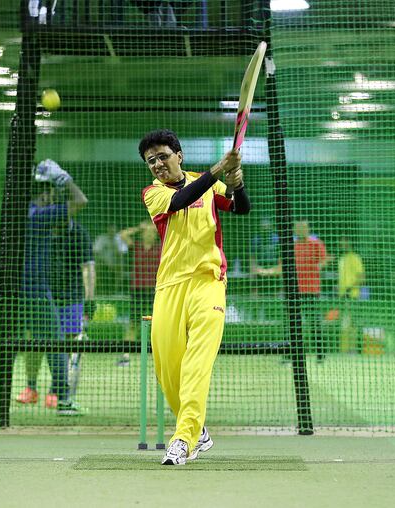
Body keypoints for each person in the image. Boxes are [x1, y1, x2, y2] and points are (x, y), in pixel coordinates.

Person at [139, 129, 250, 465]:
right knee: (167, 370)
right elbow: (180, 200)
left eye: (163, 156)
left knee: (196, 364)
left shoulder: (207, 181)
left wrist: (236, 182)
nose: (158, 164)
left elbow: (239, 208)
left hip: (208, 281)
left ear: (179, 155)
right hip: (170, 286)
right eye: (151, 160)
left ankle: (183, 438)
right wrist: (218, 170)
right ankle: (198, 429)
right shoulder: (153, 193)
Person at [14, 160, 87, 415]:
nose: (53, 197)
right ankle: (62, 398)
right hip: (35, 291)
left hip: (13, 292)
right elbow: (81, 202)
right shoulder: (39, 217)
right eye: (50, 192)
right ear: (42, 194)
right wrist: (65, 179)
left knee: (14, 344)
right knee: (56, 342)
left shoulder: (18, 214)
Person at [49, 216, 95, 400]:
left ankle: (64, 392)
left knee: (71, 343)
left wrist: (90, 299)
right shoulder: (44, 229)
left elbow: (88, 268)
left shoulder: (79, 234)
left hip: (72, 297)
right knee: (46, 343)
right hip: (48, 296)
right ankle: (43, 387)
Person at [118, 219, 161, 366]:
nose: (149, 234)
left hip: (156, 291)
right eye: (147, 231)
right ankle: (125, 356)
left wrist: (156, 227)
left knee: (159, 323)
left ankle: (160, 355)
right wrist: (138, 227)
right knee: (133, 323)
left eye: (152, 231)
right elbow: (122, 235)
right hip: (137, 290)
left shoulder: (161, 248)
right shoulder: (135, 247)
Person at [293, 220, 329, 362]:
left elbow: (324, 260)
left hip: (312, 291)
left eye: (303, 227)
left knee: (314, 322)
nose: (300, 230)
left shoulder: (316, 243)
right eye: (298, 228)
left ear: (307, 229)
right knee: (293, 323)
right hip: (295, 292)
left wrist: (319, 265)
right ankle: (290, 355)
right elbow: (282, 265)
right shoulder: (292, 245)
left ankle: (320, 354)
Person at [249, 218, 282, 321]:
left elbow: (281, 262)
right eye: (263, 228)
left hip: (274, 277)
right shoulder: (256, 240)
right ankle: (256, 322)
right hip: (259, 276)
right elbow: (252, 261)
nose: (265, 229)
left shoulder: (277, 240)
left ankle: (275, 320)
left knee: (275, 304)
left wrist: (270, 271)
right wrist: (257, 271)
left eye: (267, 227)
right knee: (256, 302)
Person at [337, 237, 364, 353]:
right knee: (344, 323)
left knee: (352, 323)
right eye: (341, 241)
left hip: (352, 296)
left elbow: (362, 277)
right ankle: (344, 350)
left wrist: (350, 288)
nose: (342, 243)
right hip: (343, 296)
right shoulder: (342, 259)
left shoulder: (355, 258)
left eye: (345, 241)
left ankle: (353, 349)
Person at [93, 224, 128, 295]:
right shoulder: (102, 238)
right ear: (107, 229)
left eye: (113, 229)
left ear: (116, 230)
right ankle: (99, 290)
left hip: (116, 263)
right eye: (110, 229)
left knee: (120, 264)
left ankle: (116, 290)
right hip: (103, 263)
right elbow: (95, 251)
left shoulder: (119, 238)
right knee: (97, 264)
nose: (111, 231)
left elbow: (123, 252)